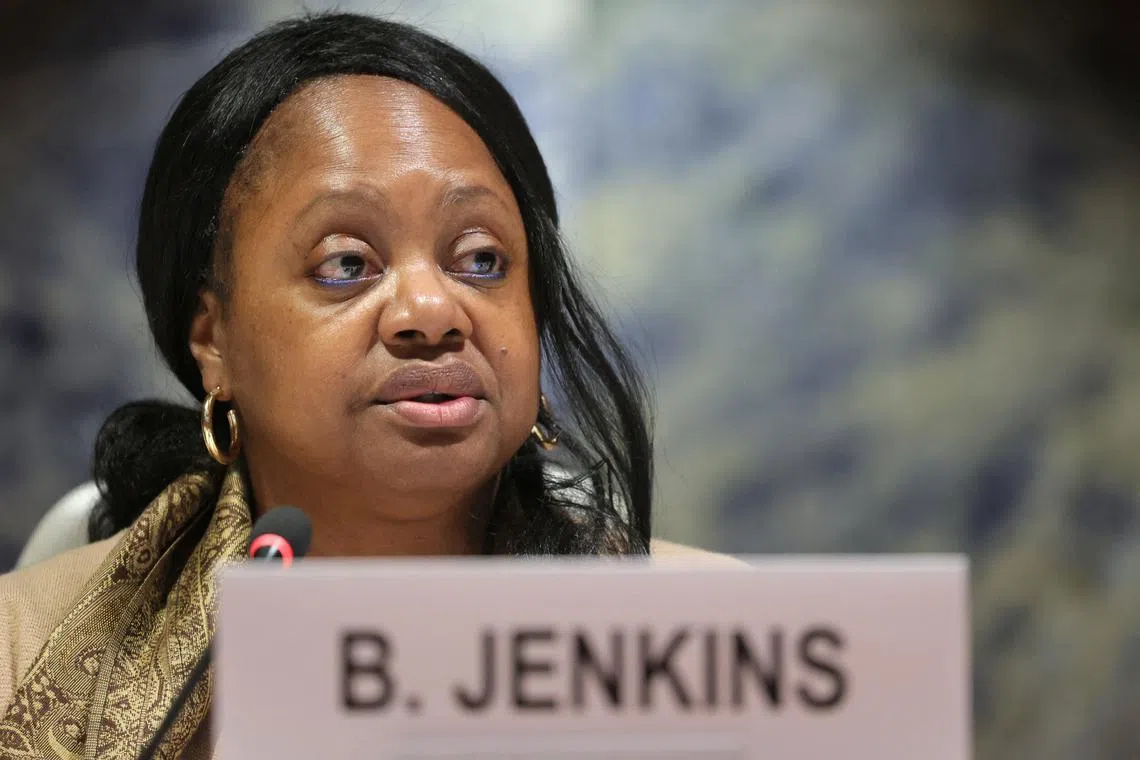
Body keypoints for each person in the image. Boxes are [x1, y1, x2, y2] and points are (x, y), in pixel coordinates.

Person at [0, 13, 734, 759]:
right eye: (347, 265)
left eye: (480, 259)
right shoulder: (21, 651)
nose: (432, 312)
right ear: (211, 339)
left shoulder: (713, 640)